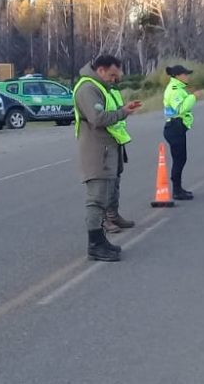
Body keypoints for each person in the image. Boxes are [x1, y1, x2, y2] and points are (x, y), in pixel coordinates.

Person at [74, 54, 143, 262]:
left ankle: (101, 239)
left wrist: (124, 110)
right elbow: (97, 118)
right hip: (97, 152)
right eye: (112, 75)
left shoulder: (100, 87)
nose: (114, 79)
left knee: (105, 195)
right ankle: (94, 244)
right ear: (101, 70)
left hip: (107, 149)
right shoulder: (88, 88)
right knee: (96, 200)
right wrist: (123, 112)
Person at [162, 65, 197, 200]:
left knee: (181, 159)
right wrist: (193, 97)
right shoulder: (175, 90)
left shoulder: (178, 88)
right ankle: (177, 190)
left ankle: (178, 188)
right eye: (185, 74)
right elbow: (181, 108)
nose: (187, 76)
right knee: (179, 159)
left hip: (177, 127)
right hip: (174, 127)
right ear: (177, 76)